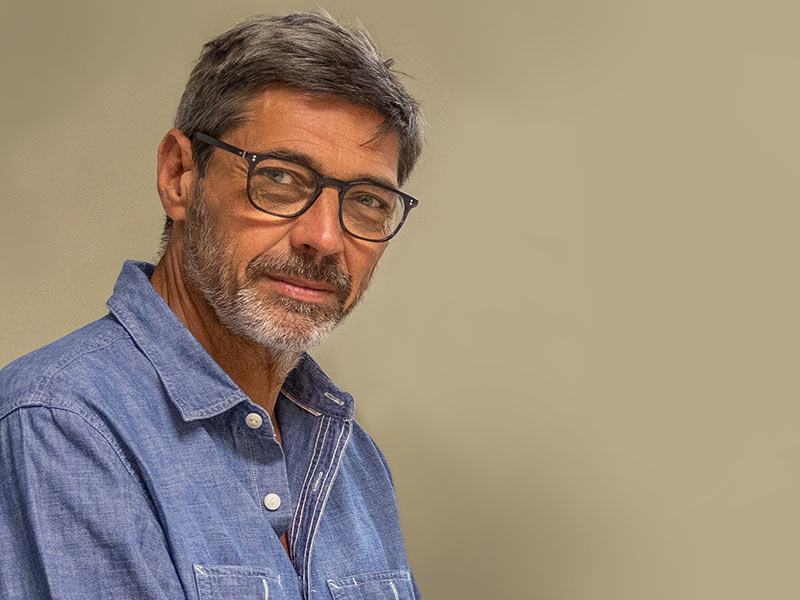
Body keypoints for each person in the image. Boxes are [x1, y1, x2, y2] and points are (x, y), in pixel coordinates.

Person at [0, 12, 423, 600]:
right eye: (280, 178)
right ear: (179, 176)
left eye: (368, 200)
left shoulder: (354, 458)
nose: (325, 238)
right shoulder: (59, 424)